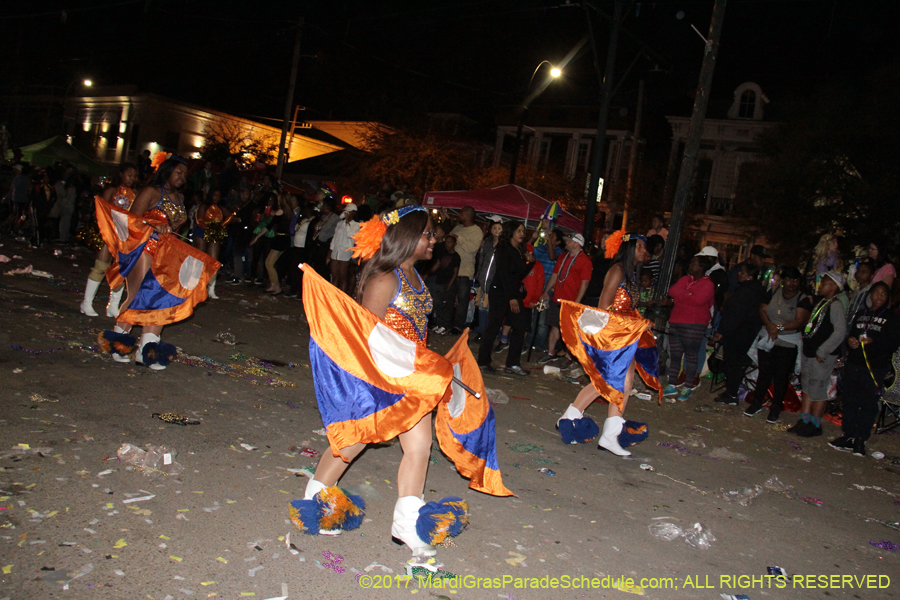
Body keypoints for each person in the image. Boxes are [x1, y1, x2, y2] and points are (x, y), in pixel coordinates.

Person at [300, 205, 460, 556]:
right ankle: (316, 502)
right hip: (383, 376)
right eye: (428, 233)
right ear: (408, 236)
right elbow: (365, 335)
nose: (434, 239)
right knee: (355, 440)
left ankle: (406, 523)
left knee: (420, 447)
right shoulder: (385, 278)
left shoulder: (415, 275)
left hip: (413, 378)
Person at [98, 155, 218, 371]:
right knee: (137, 296)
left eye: (185, 174)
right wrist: (154, 224)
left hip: (166, 254)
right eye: (178, 172)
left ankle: (147, 351)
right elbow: (131, 220)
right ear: (168, 170)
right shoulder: (150, 192)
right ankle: (119, 345)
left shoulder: (180, 197)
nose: (182, 177)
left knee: (162, 300)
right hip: (143, 249)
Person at [557, 232, 652, 457]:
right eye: (640, 246)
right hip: (614, 336)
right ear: (630, 248)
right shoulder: (617, 270)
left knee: (618, 383)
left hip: (627, 336)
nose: (644, 250)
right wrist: (632, 326)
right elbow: (604, 307)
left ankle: (580, 420)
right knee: (612, 382)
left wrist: (641, 323)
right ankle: (598, 429)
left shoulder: (631, 275)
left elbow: (629, 309)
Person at [831, 282, 900, 455]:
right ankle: (848, 435)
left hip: (874, 367)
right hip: (854, 364)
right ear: (870, 295)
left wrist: (873, 342)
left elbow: (892, 344)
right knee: (850, 401)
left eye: (883, 294)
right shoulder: (862, 314)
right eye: (876, 293)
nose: (879, 297)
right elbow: (852, 334)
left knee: (868, 404)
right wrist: (851, 341)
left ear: (888, 297)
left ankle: (860, 439)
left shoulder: (891, 318)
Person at [743, 267, 812, 421]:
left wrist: (779, 328)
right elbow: (762, 310)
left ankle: (776, 407)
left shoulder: (802, 299)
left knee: (781, 376)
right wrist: (770, 326)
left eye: (795, 280)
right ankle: (757, 402)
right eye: (788, 280)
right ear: (782, 281)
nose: (791, 284)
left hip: (787, 340)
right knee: (764, 373)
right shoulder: (773, 292)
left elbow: (800, 320)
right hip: (768, 336)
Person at [788, 271, 847, 437]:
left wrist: (823, 350)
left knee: (818, 387)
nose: (820, 286)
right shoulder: (822, 302)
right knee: (807, 386)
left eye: (825, 283)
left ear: (834, 287)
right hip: (810, 351)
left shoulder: (835, 305)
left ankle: (815, 423)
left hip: (821, 355)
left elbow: (840, 331)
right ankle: (805, 419)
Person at [80, 162, 138, 317]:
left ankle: (113, 306)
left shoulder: (135, 194)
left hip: (124, 237)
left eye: (134, 176)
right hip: (109, 234)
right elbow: (100, 211)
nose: (132, 178)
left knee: (120, 271)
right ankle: (86, 303)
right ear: (121, 174)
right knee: (100, 266)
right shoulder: (111, 191)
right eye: (129, 175)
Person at [477, 220, 533, 376]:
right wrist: (512, 298)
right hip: (500, 292)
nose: (522, 234)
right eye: (519, 231)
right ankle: (483, 362)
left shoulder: (519, 249)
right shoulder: (503, 249)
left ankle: (513, 363)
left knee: (520, 326)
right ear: (511, 232)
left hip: (512, 292)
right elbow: (504, 275)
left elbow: (518, 274)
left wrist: (529, 262)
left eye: (523, 231)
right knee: (493, 326)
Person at [662, 252, 715, 401]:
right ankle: (672, 384)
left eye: (694, 263)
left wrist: (681, 296)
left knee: (691, 355)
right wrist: (688, 294)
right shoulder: (686, 279)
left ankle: (688, 386)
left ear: (702, 267)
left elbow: (698, 300)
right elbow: (672, 291)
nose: (690, 266)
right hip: (676, 321)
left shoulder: (708, 284)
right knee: (675, 354)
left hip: (695, 324)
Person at [713, 263, 764, 405]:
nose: (738, 274)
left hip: (738, 333)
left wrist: (722, 331)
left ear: (749, 276)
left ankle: (732, 393)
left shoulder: (746, 292)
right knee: (734, 363)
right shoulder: (752, 290)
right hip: (743, 332)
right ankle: (731, 390)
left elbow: (735, 315)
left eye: (742, 272)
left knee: (733, 363)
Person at [538, 233, 592, 365]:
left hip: (571, 301)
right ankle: (550, 353)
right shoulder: (563, 256)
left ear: (576, 244)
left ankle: (569, 356)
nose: (566, 242)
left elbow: (585, 283)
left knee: (569, 330)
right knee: (554, 326)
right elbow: (555, 275)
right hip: (557, 298)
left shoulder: (585, 261)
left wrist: (577, 302)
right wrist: (546, 292)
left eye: (569, 241)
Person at [251, 190, 293, 295]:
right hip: (284, 238)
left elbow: (269, 226)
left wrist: (257, 237)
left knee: (269, 263)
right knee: (269, 262)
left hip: (280, 239)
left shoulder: (281, 211)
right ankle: (274, 284)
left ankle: (276, 286)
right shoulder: (288, 211)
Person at [450, 207, 483, 332]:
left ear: (468, 216)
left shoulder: (476, 231)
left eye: (461, 213)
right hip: (451, 269)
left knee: (462, 300)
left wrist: (459, 239)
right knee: (449, 297)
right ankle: (446, 322)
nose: (459, 215)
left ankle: (458, 325)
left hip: (465, 271)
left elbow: (473, 249)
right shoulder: (457, 228)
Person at [193, 188, 229, 299]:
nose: (216, 198)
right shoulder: (204, 206)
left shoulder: (221, 208)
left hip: (215, 233)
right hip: (202, 232)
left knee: (213, 260)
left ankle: (211, 288)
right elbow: (199, 220)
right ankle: (196, 286)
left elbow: (231, 217)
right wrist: (209, 229)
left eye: (218, 196)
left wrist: (221, 226)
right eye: (214, 195)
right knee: (200, 259)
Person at [474, 218, 502, 338]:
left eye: (499, 228)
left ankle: (489, 332)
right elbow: (482, 259)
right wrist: (479, 272)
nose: (496, 231)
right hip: (483, 279)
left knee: (491, 308)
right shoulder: (487, 244)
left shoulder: (504, 246)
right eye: (494, 228)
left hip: (495, 282)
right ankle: (481, 331)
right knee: (481, 306)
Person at [429, 233, 460, 334]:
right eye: (446, 242)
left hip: (448, 283)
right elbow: (437, 265)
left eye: (450, 242)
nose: (447, 244)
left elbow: (455, 273)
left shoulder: (456, 256)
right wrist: (427, 273)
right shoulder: (443, 254)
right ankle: (439, 323)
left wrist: (449, 285)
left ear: (454, 244)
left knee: (447, 305)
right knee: (438, 304)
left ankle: (445, 326)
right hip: (439, 282)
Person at [329, 203, 360, 295]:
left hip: (345, 252)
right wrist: (330, 251)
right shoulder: (339, 223)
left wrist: (347, 223)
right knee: (334, 276)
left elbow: (351, 235)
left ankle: (341, 297)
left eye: (349, 212)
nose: (346, 213)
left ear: (354, 213)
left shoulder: (356, 225)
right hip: (336, 251)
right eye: (345, 211)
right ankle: (332, 296)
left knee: (343, 276)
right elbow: (334, 238)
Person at [846, 259, 875, 327]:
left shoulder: (871, 292)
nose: (859, 274)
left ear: (871, 276)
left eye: (864, 272)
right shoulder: (857, 290)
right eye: (858, 271)